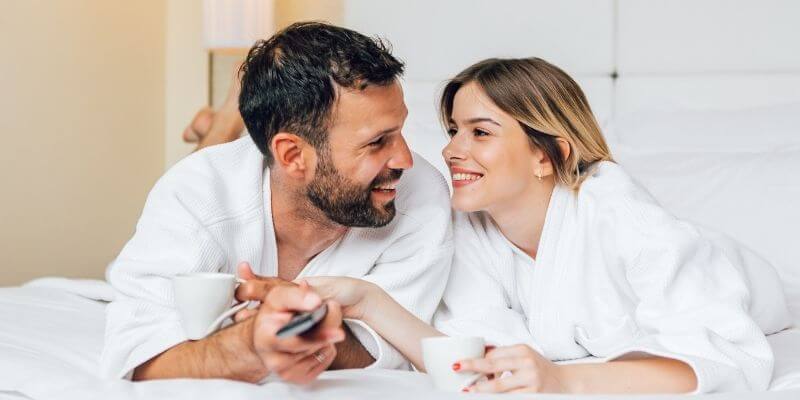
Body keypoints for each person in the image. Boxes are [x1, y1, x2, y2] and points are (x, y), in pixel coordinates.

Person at [302, 57, 791, 394]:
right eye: (453, 130)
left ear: (547, 154)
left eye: (479, 132)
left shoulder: (625, 221)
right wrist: (366, 300)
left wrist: (567, 382)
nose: (451, 150)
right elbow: (482, 356)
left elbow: (730, 364)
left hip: (755, 287)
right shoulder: (468, 228)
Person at [100, 22, 453, 384]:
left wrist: (304, 330)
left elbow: (390, 348)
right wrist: (248, 346)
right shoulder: (196, 191)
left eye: (400, 131)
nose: (405, 160)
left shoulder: (422, 197)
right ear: (292, 154)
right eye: (377, 141)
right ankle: (221, 123)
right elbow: (139, 357)